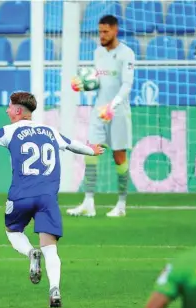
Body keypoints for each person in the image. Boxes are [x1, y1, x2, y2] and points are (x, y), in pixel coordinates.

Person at [0, 91, 104, 307]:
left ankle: (30, 252)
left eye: (9, 106)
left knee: (13, 232)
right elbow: (73, 145)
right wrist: (92, 151)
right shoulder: (51, 131)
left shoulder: (10, 131)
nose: (6, 110)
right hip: (47, 198)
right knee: (50, 248)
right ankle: (55, 290)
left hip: (20, 195)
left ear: (17, 110)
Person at [68, 14, 136, 218]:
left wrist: (112, 106)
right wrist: (83, 84)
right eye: (100, 32)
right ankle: (88, 202)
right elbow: (99, 79)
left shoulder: (127, 54)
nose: (102, 35)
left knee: (119, 157)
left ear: (115, 30)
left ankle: (121, 205)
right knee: (91, 151)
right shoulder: (98, 52)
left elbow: (127, 85)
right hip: (99, 110)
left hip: (118, 111)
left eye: (105, 31)